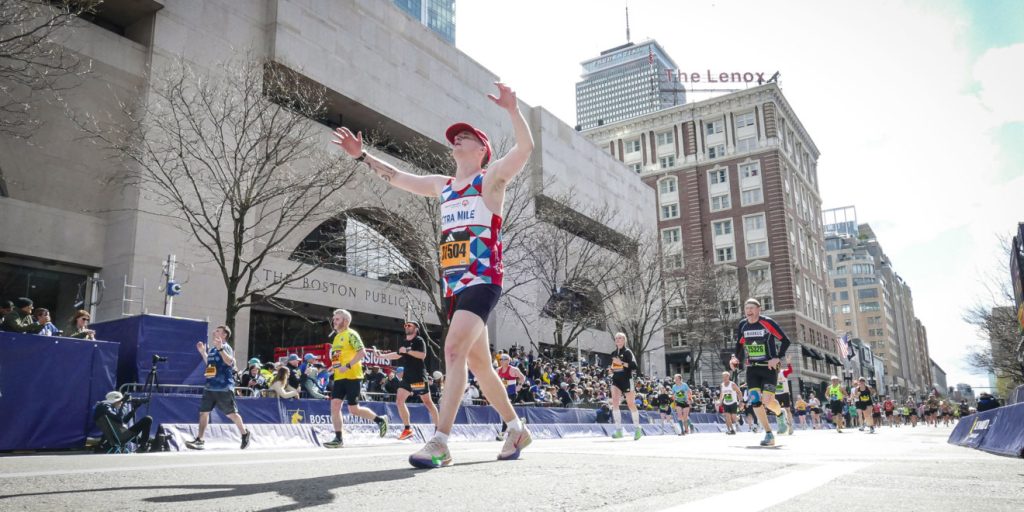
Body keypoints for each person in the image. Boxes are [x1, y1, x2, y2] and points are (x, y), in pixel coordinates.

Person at [333, 82, 533, 468]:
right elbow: (397, 177)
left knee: (453, 351)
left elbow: (525, 149)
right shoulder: (443, 186)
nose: (457, 139)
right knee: (479, 364)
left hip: (483, 279)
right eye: (455, 136)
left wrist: (513, 109)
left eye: (466, 136)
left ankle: (440, 441)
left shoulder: (490, 180)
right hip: (455, 287)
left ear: (482, 150)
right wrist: (362, 156)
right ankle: (515, 428)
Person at [729, 298, 791, 446]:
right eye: (746, 308)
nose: (749, 311)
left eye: (752, 308)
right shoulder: (743, 325)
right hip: (752, 368)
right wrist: (735, 358)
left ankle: (780, 413)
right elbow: (739, 343)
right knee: (755, 400)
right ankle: (769, 433)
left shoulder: (767, 323)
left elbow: (785, 340)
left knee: (768, 401)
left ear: (759, 309)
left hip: (768, 368)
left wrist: (776, 357)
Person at [323, 309, 388, 449]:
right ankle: (338, 438)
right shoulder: (336, 337)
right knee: (335, 406)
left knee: (354, 409)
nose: (334, 321)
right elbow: (337, 356)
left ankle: (380, 420)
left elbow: (362, 352)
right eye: (334, 319)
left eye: (337, 319)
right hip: (339, 377)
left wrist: (347, 366)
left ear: (346, 321)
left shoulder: (351, 334)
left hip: (353, 376)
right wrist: (333, 367)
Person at [185, 325, 251, 450]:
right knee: (203, 413)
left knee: (231, 414)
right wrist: (203, 352)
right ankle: (200, 440)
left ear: (224, 335)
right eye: (215, 330)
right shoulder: (213, 349)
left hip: (223, 387)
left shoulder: (226, 347)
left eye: (218, 331)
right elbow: (210, 364)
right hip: (210, 386)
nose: (214, 332)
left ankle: (244, 433)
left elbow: (229, 362)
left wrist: (221, 348)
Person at [383, 321, 440, 441]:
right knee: (399, 401)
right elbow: (398, 355)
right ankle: (407, 429)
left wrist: (407, 351)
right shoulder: (404, 342)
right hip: (407, 378)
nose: (406, 327)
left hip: (418, 377)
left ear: (416, 329)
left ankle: (439, 428)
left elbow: (422, 355)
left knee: (427, 402)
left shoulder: (419, 340)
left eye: (409, 325)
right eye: (405, 325)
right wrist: (381, 356)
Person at [609, 332, 644, 440]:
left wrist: (621, 363)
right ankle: (619, 430)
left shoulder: (628, 352)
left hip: (627, 380)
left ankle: (637, 428)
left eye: (620, 338)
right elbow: (614, 367)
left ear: (624, 340)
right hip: (616, 380)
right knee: (615, 402)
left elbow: (634, 366)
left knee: (630, 404)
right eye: (616, 338)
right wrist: (611, 369)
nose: (618, 339)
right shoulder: (613, 353)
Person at [774, 357, 795, 436]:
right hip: (776, 394)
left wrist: (789, 363)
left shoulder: (783, 372)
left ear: (779, 366)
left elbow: (790, 370)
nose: (776, 367)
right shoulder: (772, 374)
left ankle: (790, 426)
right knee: (777, 411)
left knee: (787, 410)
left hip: (785, 393)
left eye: (777, 365)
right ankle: (780, 427)